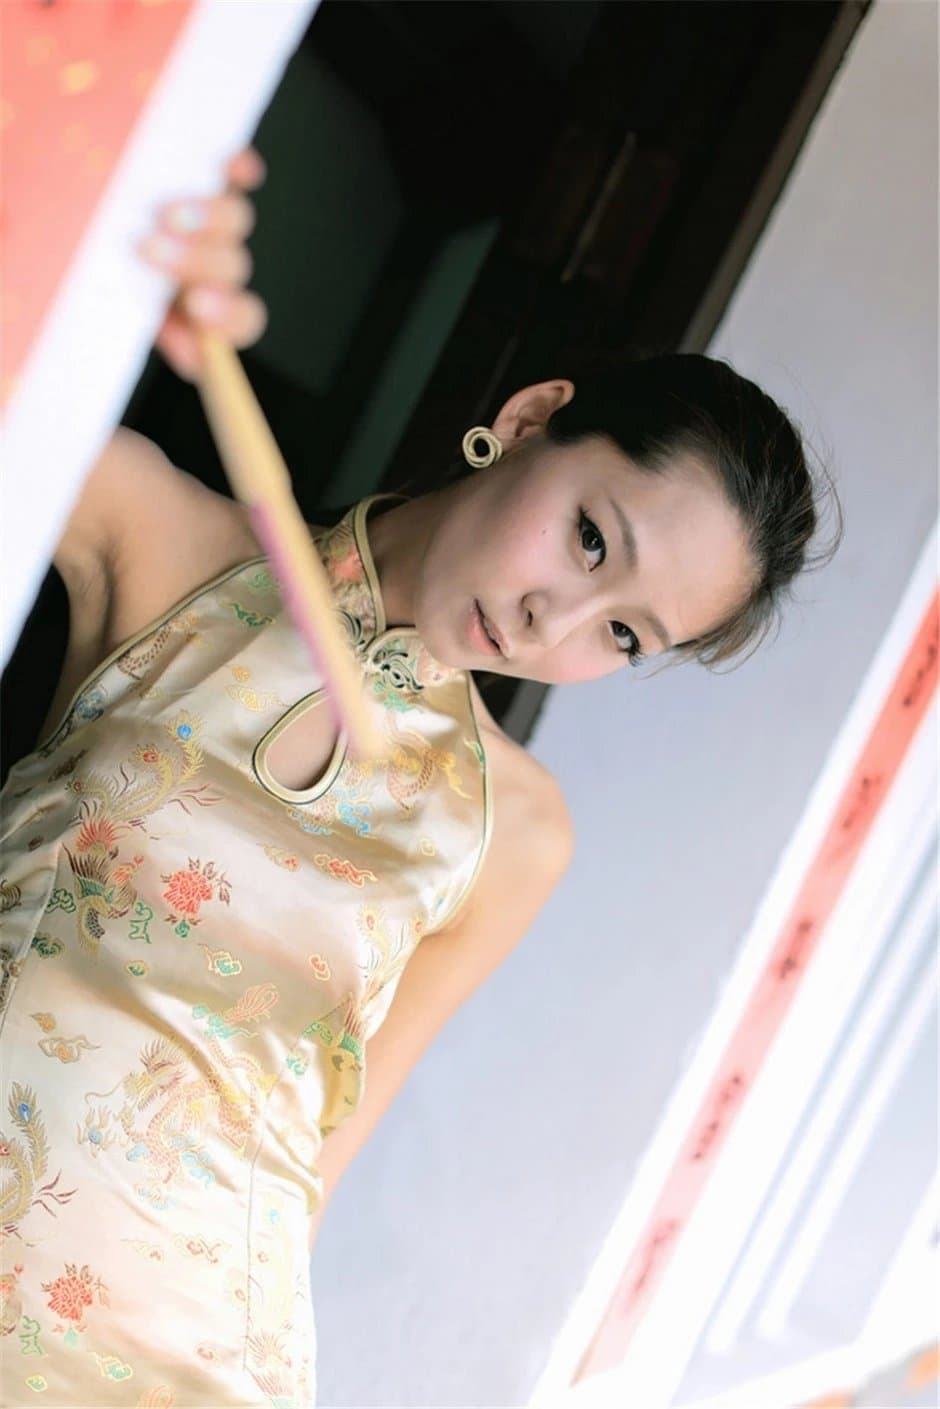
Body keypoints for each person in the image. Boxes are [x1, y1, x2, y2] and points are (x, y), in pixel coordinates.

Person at [0, 149, 838, 1407]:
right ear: (533, 418)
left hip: (201, 1364)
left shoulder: (516, 832)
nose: (558, 618)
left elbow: (315, 1163)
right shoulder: (165, 541)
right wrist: (133, 241)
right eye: (590, 536)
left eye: (623, 634)